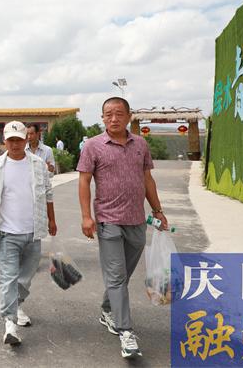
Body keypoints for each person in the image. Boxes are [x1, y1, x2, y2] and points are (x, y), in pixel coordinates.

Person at [77, 97, 169, 359]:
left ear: (129, 116)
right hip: (108, 220)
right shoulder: (93, 146)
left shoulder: (140, 144)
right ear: (102, 118)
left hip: (136, 220)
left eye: (119, 113)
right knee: (117, 276)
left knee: (122, 275)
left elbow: (147, 179)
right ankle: (125, 332)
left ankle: (108, 309)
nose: (114, 118)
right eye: (108, 114)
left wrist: (158, 210)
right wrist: (86, 216)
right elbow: (84, 181)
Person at [0, 121, 56, 346]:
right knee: (8, 278)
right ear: (5, 141)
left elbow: (48, 194)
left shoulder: (38, 165)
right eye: (11, 140)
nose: (15, 144)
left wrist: (52, 220)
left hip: (33, 232)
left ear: (26, 140)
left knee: (25, 277)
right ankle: (10, 324)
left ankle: (16, 305)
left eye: (19, 140)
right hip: (6, 233)